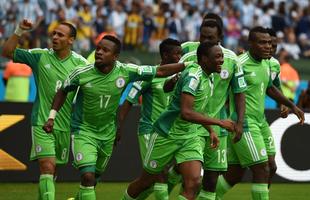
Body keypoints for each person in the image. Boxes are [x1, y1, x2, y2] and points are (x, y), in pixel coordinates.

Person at [43, 35, 189, 200]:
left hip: (107, 133)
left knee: (94, 178)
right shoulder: (81, 73)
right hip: (83, 131)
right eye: (98, 48)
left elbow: (159, 71)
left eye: (105, 50)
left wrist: (186, 65)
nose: (99, 52)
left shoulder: (125, 71)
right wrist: (51, 117)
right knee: (88, 177)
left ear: (115, 56)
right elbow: (62, 90)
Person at [122, 41, 236, 200]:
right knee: (146, 182)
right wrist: (219, 123)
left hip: (189, 136)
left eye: (222, 56)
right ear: (204, 59)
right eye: (217, 57)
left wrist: (210, 130)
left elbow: (197, 109)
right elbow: (186, 113)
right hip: (166, 134)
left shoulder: (209, 77)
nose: (222, 60)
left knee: (194, 182)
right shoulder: (193, 76)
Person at [1, 19, 89, 200]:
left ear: (71, 40)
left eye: (60, 35)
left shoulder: (81, 63)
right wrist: (19, 30)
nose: (55, 37)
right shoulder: (40, 56)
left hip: (64, 125)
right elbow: (7, 52)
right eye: (54, 34)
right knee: (47, 166)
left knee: (51, 173)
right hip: (42, 121)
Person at [215, 26, 304, 200]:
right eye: (262, 43)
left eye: (270, 43)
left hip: (260, 121)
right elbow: (222, 90)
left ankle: (206, 197)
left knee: (240, 173)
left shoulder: (267, 63)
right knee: (262, 169)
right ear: (251, 44)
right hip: (244, 122)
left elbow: (270, 87)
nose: (268, 47)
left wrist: (290, 105)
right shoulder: (239, 64)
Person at [165, 14, 247, 200]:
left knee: (210, 182)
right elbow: (165, 82)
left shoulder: (232, 60)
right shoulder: (188, 54)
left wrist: (239, 122)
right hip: (190, 126)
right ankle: (167, 187)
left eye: (210, 38)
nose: (205, 40)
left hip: (217, 126)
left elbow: (239, 93)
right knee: (190, 180)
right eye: (203, 36)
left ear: (220, 38)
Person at [118, 38, 182, 200]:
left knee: (150, 181)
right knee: (159, 176)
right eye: (177, 54)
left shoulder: (180, 77)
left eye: (181, 53)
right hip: (149, 130)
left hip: (170, 133)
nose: (180, 57)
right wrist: (119, 126)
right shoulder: (149, 75)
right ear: (165, 55)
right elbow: (128, 101)